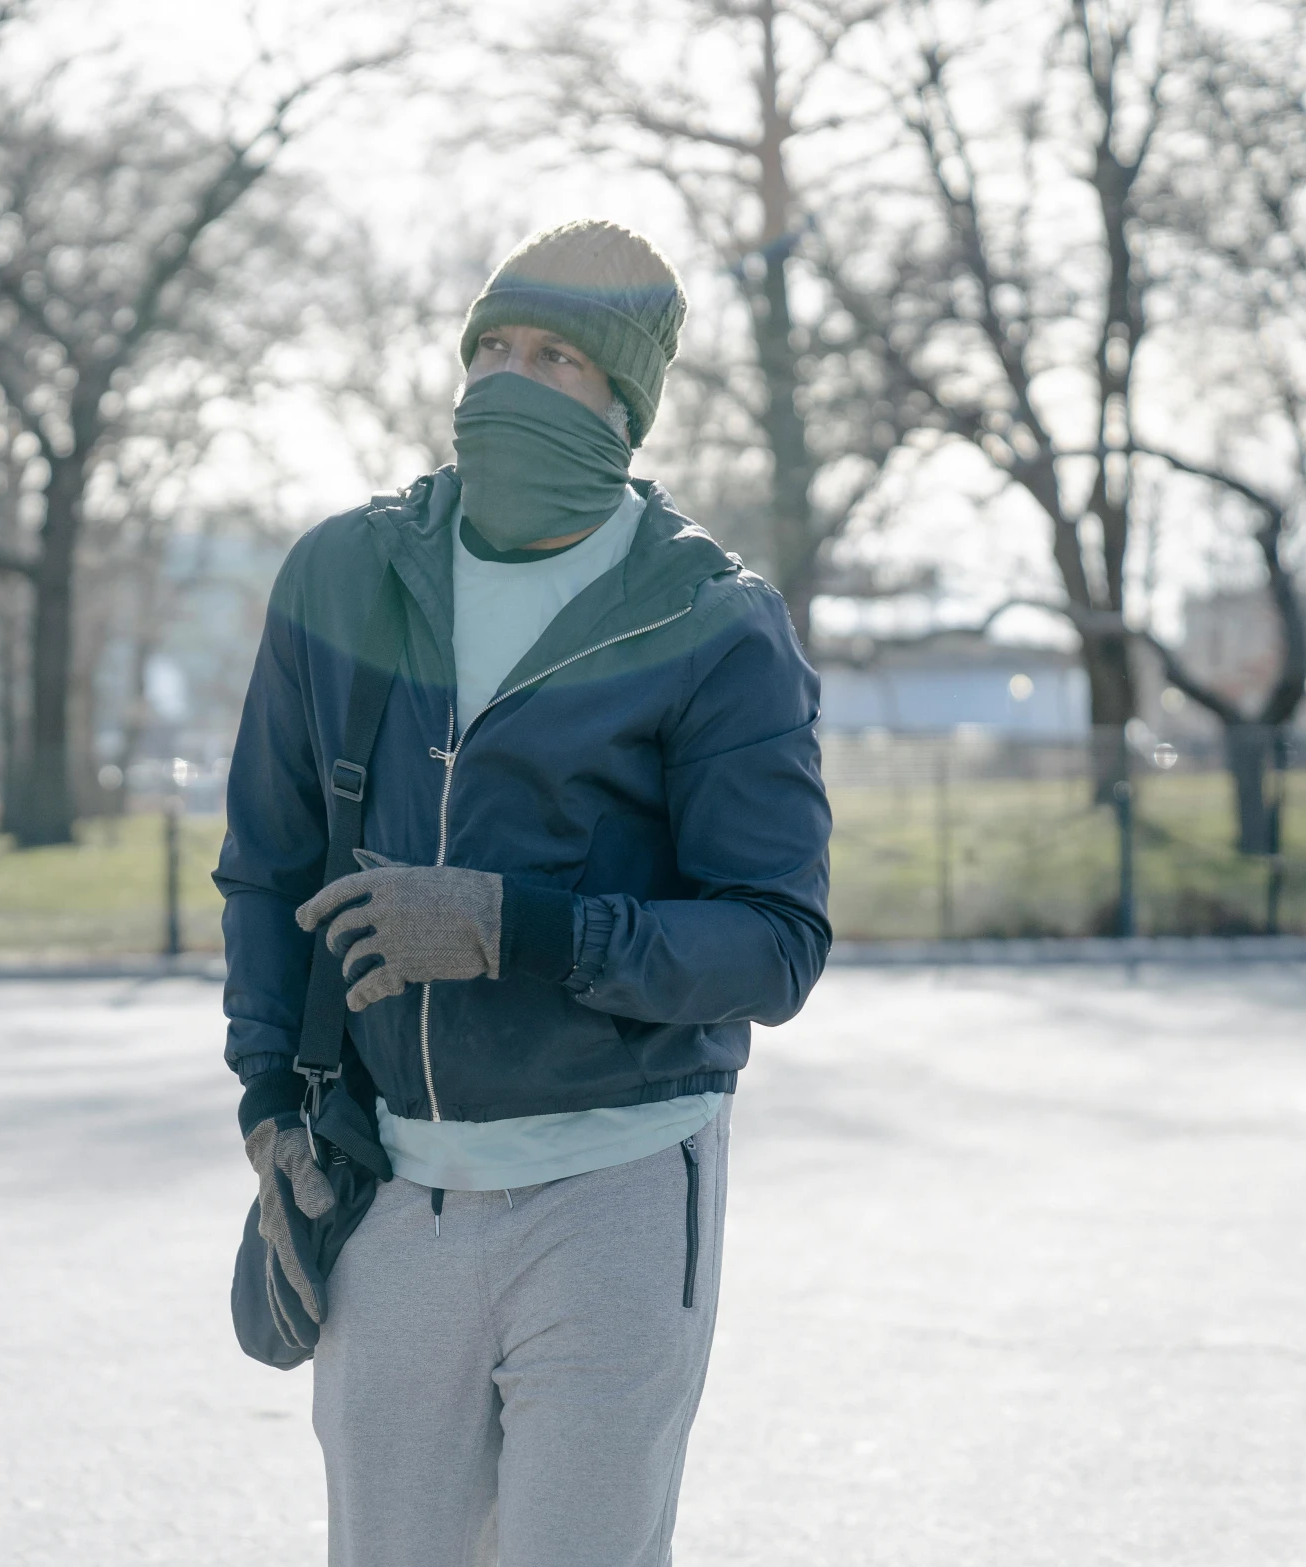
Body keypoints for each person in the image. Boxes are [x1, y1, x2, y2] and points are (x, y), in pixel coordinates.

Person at [215, 218, 832, 1567]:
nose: (505, 379)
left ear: (621, 402)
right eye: (488, 347)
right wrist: (268, 1094)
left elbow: (775, 943)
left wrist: (513, 928)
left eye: (550, 356)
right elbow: (267, 863)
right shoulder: (344, 573)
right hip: (385, 1185)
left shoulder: (711, 619)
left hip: (615, 1178)